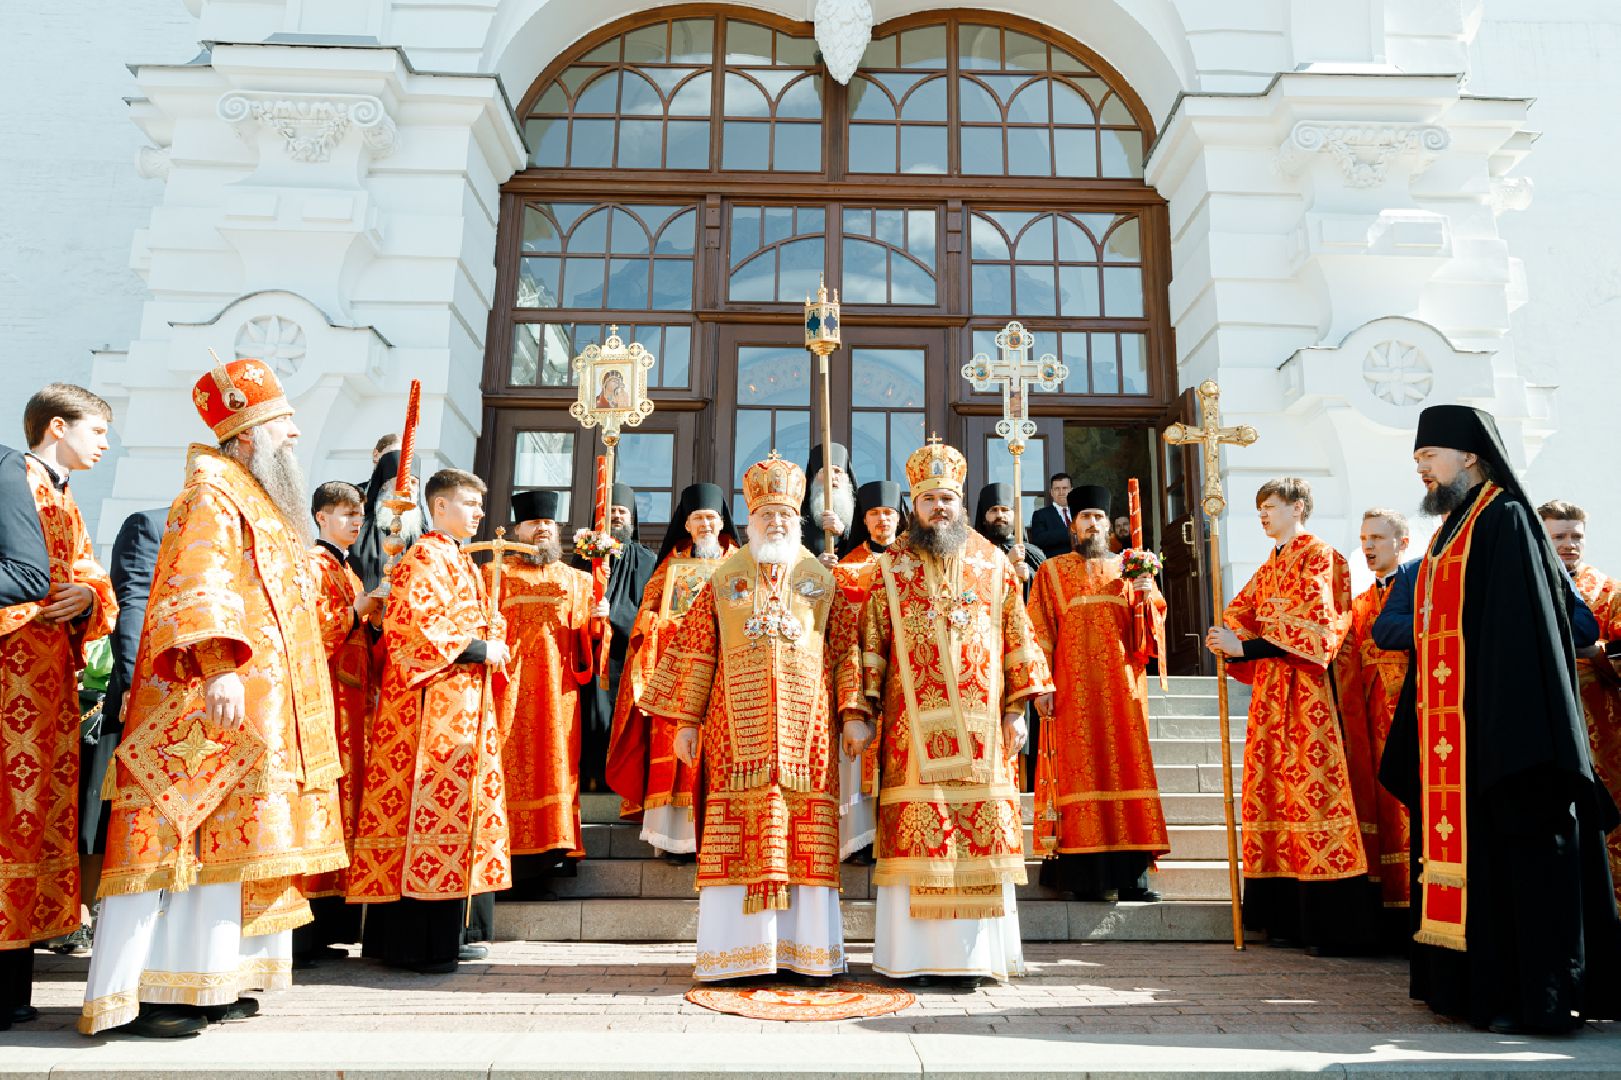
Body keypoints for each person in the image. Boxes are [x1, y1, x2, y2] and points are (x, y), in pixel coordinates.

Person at [81, 358, 346, 1038]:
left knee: (238, 848)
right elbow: (199, 585)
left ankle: (216, 980)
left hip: (254, 710)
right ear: (250, 433)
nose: (294, 434)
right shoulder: (211, 492)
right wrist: (219, 665)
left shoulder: (252, 496)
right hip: (205, 703)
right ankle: (162, 993)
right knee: (187, 844)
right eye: (284, 424)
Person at [1377, 406, 1621, 1032]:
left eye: (1429, 457)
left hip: (1505, 729)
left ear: (1473, 457)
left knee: (1523, 858)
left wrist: (1497, 727)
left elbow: (1522, 633)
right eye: (1418, 461)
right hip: (1454, 733)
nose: (1423, 470)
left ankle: (1533, 997)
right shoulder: (1453, 529)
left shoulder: (1506, 519)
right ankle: (1470, 988)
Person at [841, 439, 1054, 988]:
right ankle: (911, 958)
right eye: (930, 498)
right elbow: (870, 644)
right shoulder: (890, 568)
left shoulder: (994, 565)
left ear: (962, 504)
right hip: (912, 738)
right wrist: (857, 712)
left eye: (948, 499)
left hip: (985, 735)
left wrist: (1017, 708)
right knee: (919, 834)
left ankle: (977, 958)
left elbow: (1017, 635)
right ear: (916, 505)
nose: (940, 508)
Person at [640, 452, 845, 983]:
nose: (775, 523)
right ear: (750, 522)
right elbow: (698, 652)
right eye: (765, 516)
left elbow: (845, 653)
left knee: (804, 836)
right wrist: (686, 721)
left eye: (784, 515)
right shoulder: (723, 578)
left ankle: (806, 954)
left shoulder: (822, 579)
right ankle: (739, 955)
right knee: (740, 834)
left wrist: (855, 712)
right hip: (736, 736)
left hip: (810, 737)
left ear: (797, 521)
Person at [347, 469, 511, 974]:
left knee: (449, 818)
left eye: (480, 504)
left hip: (456, 709)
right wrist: (482, 646)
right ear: (438, 508)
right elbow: (413, 627)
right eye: (468, 503)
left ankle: (440, 935)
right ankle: (418, 947)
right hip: (429, 712)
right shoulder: (424, 557)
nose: (479, 513)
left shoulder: (455, 558)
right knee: (427, 817)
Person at [1204, 477, 1373, 954]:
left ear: (1298, 508)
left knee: (1313, 790)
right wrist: (1227, 638)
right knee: (1272, 792)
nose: (1263, 514)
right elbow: (1242, 609)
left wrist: (1247, 645)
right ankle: (1281, 916)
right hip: (1271, 692)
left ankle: (1328, 923)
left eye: (1271, 506)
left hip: (1307, 691)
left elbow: (1321, 627)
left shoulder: (1321, 556)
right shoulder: (1270, 564)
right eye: (1259, 507)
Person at [0, 385, 117, 1031]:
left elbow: (93, 577)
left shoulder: (65, 493)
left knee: (35, 824)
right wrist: (55, 594)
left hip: (47, 689)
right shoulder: (11, 478)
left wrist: (86, 598)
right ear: (55, 426)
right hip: (10, 674)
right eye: (96, 430)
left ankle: (17, 985)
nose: (104, 444)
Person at [1026, 483, 1169, 902]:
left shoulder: (1133, 567)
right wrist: (1041, 687)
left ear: (1110, 526)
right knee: (1077, 773)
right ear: (1075, 527)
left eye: (1099, 518)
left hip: (1123, 692)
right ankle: (1079, 874)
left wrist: (1147, 599)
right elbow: (1038, 632)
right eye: (1085, 517)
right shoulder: (1051, 572)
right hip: (1071, 693)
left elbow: (1150, 635)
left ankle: (1131, 875)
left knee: (1125, 769)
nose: (1092, 524)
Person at [605, 483, 739, 862]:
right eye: (697, 518)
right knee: (675, 752)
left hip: (725, 675)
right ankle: (675, 840)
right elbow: (647, 612)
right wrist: (659, 626)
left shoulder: (740, 563)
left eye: (711, 517)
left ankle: (718, 835)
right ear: (686, 524)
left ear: (723, 521)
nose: (705, 524)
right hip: (677, 672)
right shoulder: (670, 566)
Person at [293, 481, 383, 968]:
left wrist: (370, 619)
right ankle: (305, 929)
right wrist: (359, 611)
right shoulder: (312, 564)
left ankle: (333, 924)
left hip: (350, 702)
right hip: (324, 699)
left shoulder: (345, 567)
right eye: (345, 513)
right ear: (320, 516)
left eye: (359, 515)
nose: (355, 522)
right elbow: (312, 630)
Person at [490, 489, 597, 899]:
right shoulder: (493, 576)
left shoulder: (578, 580)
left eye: (548, 525)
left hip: (557, 695)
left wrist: (597, 626)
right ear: (518, 529)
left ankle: (550, 861)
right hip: (509, 691)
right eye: (534, 524)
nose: (541, 530)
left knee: (554, 770)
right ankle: (503, 862)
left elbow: (587, 645)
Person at [1331, 508, 1415, 946]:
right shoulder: (1360, 603)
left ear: (1402, 543)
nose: (1368, 547)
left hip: (1410, 716)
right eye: (1364, 538)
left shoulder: (1420, 592)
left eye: (1379, 538)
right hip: (1367, 719)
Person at [1540, 500, 1621, 914]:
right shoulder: (1528, 586)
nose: (1570, 545)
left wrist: (1593, 651)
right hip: (1545, 728)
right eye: (1559, 537)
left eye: (1576, 537)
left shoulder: (1608, 591)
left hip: (1599, 732)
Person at [828, 480, 908, 865]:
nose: (882, 521)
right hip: (860, 671)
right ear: (865, 519)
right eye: (875, 514)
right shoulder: (846, 568)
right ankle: (860, 839)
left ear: (899, 518)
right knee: (859, 756)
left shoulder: (913, 563)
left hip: (904, 672)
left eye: (889, 514)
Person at [577, 483, 658, 792]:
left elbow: (651, 613)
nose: (616, 517)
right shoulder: (584, 556)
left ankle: (619, 787)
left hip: (626, 659)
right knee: (589, 720)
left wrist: (614, 614)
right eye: (609, 512)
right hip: (590, 655)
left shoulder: (646, 560)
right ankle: (588, 784)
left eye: (622, 512)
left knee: (620, 724)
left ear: (632, 518)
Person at [349, 448, 425, 593]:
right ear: (384, 485)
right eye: (402, 482)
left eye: (414, 482)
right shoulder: (359, 528)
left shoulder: (422, 536)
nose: (408, 488)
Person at [974, 481, 1045, 590]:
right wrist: (1007, 562)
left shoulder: (1032, 553)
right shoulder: (974, 552)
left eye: (1005, 509)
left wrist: (1029, 577)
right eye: (993, 510)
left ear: (1014, 515)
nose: (999, 515)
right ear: (984, 517)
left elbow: (1048, 591)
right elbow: (972, 587)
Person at [799, 442, 860, 563]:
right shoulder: (798, 516)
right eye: (825, 471)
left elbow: (870, 552)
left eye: (837, 471)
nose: (832, 477)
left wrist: (844, 532)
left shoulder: (862, 514)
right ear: (814, 477)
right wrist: (816, 564)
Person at [1027, 472, 1073, 561]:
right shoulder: (1040, 515)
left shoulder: (1080, 513)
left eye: (1065, 488)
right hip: (1054, 565)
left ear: (1071, 490)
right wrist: (1070, 533)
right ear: (1051, 492)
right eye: (1057, 489)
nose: (1061, 492)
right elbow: (1039, 540)